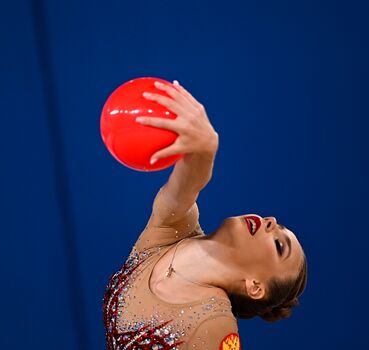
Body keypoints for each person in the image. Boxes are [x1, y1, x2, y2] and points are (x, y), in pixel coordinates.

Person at [102, 80, 308, 350]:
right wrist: (204, 147)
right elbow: (187, 184)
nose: (270, 222)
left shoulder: (215, 327)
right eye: (277, 223)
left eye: (280, 245)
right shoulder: (174, 229)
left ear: (255, 286)